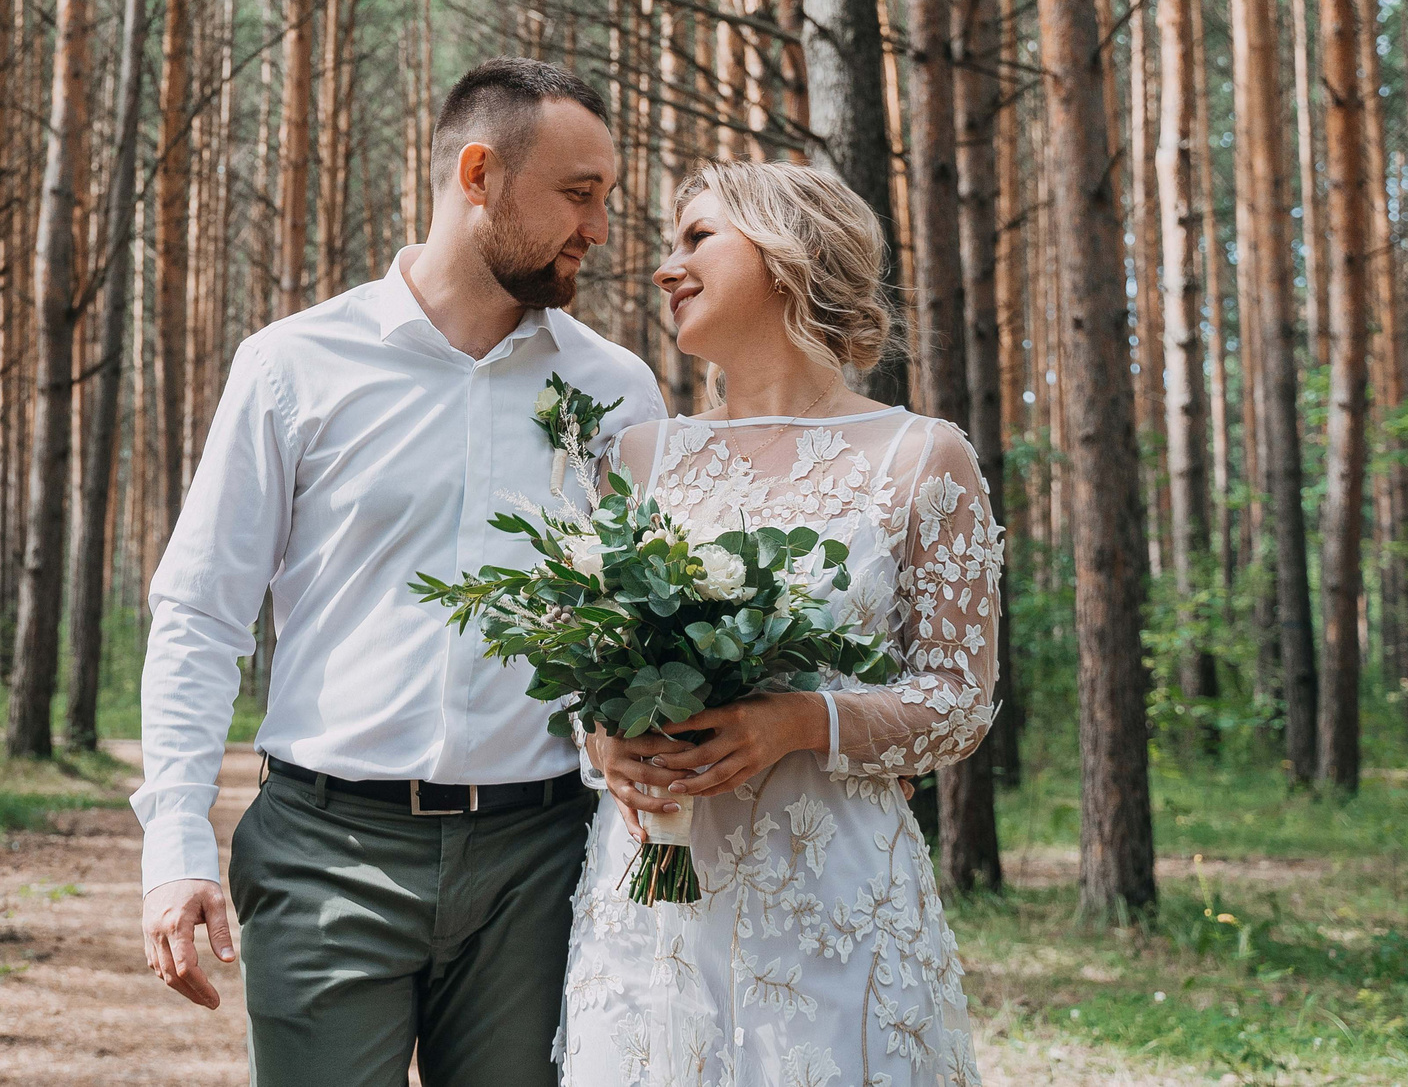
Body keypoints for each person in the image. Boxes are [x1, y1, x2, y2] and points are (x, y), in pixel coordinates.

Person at [135, 57, 667, 1087]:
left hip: (540, 860)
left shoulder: (616, 389)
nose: (598, 230)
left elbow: (642, 623)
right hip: (326, 852)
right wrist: (175, 849)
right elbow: (201, 614)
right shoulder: (293, 366)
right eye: (578, 194)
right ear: (479, 174)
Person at [568, 159, 999, 1087]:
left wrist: (802, 723)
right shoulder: (642, 458)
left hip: (835, 898)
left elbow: (959, 702)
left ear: (786, 253)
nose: (665, 267)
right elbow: (587, 677)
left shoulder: (922, 455)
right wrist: (608, 741)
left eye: (697, 238)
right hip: (658, 904)